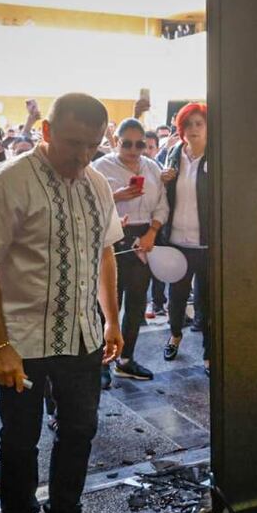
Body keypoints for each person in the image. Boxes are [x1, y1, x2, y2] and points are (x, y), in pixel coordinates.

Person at [0, 93, 124, 513]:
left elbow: (106, 251)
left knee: (80, 428)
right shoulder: (5, 183)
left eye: (92, 146)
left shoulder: (97, 183)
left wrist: (111, 319)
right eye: (73, 143)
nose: (82, 156)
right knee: (20, 439)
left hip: (82, 334)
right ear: (46, 132)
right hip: (23, 340)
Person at [93, 118, 168, 381]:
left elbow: (162, 205)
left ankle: (126, 359)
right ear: (117, 142)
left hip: (143, 237)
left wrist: (152, 232)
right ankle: (102, 363)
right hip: (111, 238)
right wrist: (116, 196)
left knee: (137, 303)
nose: (134, 150)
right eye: (127, 144)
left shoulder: (152, 167)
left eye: (140, 144)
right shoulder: (100, 168)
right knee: (108, 304)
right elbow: (86, 202)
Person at [159, 103, 211, 373]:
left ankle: (209, 352)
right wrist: (163, 179)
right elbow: (158, 189)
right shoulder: (173, 153)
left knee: (208, 300)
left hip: (207, 243)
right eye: (188, 124)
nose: (193, 129)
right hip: (177, 240)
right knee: (176, 296)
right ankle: (174, 335)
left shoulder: (218, 157)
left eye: (198, 124)